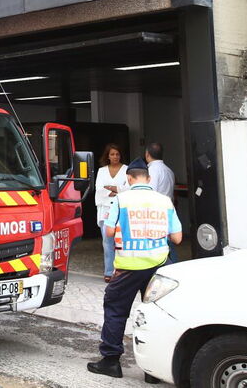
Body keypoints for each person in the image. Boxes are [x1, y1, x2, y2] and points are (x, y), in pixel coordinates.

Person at [87, 158, 182, 379]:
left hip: (128, 268)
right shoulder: (164, 201)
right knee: (156, 314)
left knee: (116, 311)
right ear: (148, 179)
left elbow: (109, 232)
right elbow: (177, 238)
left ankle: (111, 361)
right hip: (158, 267)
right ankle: (153, 371)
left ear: (129, 179)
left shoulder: (121, 199)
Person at [94, 144, 127, 282]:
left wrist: (114, 189)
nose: (115, 157)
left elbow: (128, 189)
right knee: (107, 242)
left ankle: (121, 271)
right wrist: (117, 190)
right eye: (112, 154)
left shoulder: (126, 169)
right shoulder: (102, 171)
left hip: (121, 209)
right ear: (108, 155)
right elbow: (99, 190)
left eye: (117, 154)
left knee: (122, 242)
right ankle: (109, 271)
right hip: (105, 211)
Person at [144, 142, 178, 263]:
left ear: (147, 154)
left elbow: (150, 192)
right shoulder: (169, 170)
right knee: (168, 243)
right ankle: (174, 267)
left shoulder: (152, 171)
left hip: (156, 213)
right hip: (168, 210)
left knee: (159, 245)